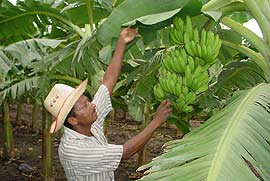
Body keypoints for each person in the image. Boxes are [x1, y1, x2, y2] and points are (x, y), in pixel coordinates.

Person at [43, 26, 172, 181]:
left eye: (88, 101)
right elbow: (126, 152)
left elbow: (108, 83)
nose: (92, 105)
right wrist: (157, 121)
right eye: (85, 106)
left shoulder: (89, 124)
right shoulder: (74, 150)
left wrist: (121, 43)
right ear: (72, 120)